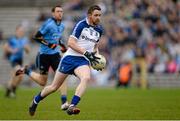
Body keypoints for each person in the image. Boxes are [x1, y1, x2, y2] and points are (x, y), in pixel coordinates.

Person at [28, 5, 103, 116]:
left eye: (100, 15)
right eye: (96, 15)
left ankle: (72, 106)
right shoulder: (81, 25)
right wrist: (86, 53)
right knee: (54, 87)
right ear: (89, 15)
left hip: (82, 61)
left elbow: (95, 47)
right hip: (69, 58)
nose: (98, 17)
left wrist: (97, 58)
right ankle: (36, 100)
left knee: (86, 77)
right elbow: (70, 43)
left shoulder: (99, 30)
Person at [15, 5, 69, 110]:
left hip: (55, 55)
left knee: (62, 76)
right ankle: (27, 71)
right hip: (44, 55)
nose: (60, 13)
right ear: (53, 13)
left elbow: (57, 38)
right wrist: (49, 44)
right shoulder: (48, 24)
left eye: (61, 11)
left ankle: (64, 102)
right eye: (58, 11)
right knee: (42, 82)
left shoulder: (62, 26)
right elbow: (36, 36)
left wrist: (63, 46)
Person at [4, 25, 30, 98]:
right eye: (19, 31)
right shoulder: (12, 39)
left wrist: (26, 48)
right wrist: (12, 50)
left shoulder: (24, 40)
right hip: (13, 59)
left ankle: (9, 91)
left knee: (18, 77)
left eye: (22, 31)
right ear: (16, 31)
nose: (21, 32)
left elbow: (28, 51)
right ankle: (13, 91)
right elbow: (5, 47)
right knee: (19, 73)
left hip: (20, 60)